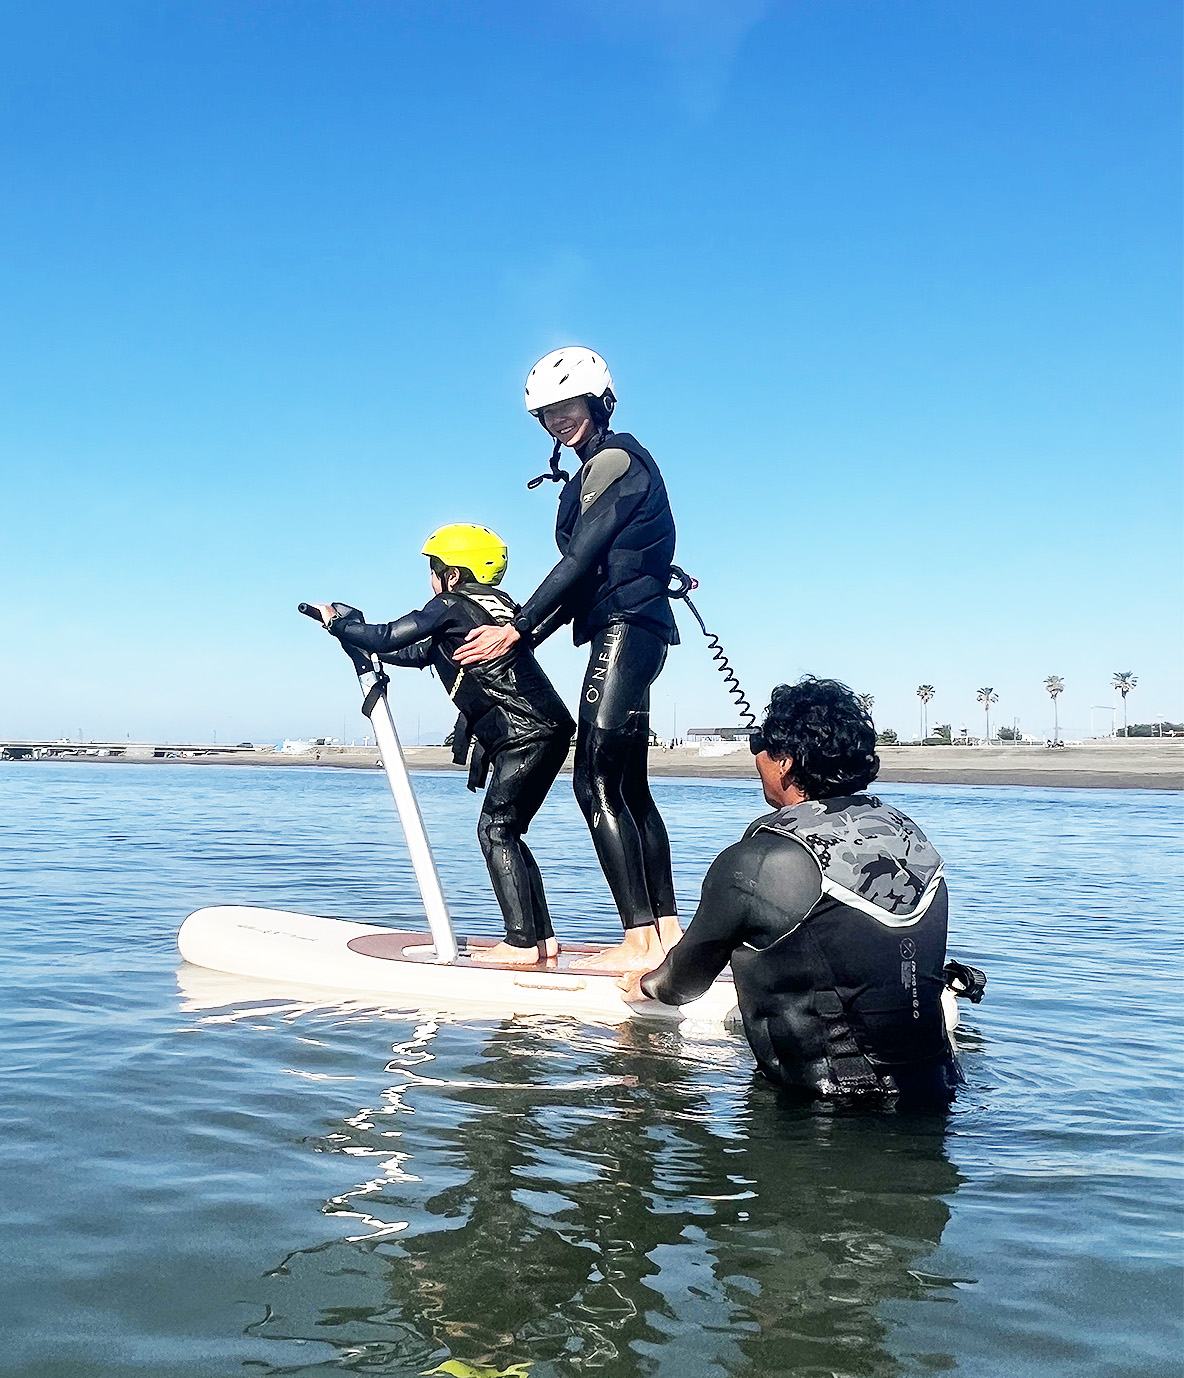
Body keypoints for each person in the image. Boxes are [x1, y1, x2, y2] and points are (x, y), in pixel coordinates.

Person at [620, 677, 968, 1107]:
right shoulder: (910, 837)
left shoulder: (761, 859)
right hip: (941, 1087)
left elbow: (683, 982)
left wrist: (645, 986)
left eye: (758, 746)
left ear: (783, 761)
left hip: (828, 1112)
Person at [453, 348, 681, 972]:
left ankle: (637, 942)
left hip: (626, 630)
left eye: (568, 406)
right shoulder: (596, 471)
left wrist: (517, 626)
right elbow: (585, 580)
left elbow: (578, 564)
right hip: (634, 627)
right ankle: (665, 933)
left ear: (599, 400)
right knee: (629, 784)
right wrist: (522, 637)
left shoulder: (615, 459)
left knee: (596, 780)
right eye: (547, 413)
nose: (558, 421)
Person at [311, 524, 575, 967]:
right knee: (508, 830)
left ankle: (522, 942)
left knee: (495, 829)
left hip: (523, 732)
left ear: (452, 574)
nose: (431, 580)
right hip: (545, 728)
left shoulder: (450, 603)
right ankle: (541, 939)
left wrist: (341, 622)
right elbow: (415, 652)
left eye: (433, 570)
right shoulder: (497, 606)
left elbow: (388, 636)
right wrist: (351, 634)